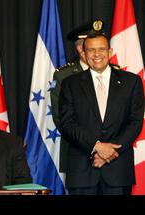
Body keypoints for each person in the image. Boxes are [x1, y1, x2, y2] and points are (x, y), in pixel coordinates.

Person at [59, 31, 144, 195]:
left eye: (101, 49)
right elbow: (67, 123)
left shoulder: (131, 82)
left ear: (110, 52)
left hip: (118, 172)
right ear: (83, 53)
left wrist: (110, 152)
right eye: (91, 50)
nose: (97, 54)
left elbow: (135, 122)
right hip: (82, 172)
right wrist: (96, 146)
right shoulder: (70, 84)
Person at [50, 20, 103, 173]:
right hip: (78, 155)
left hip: (111, 156)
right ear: (80, 48)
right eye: (92, 46)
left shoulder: (116, 74)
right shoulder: (64, 76)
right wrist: (94, 145)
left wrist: (106, 148)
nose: (97, 52)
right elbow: (61, 118)